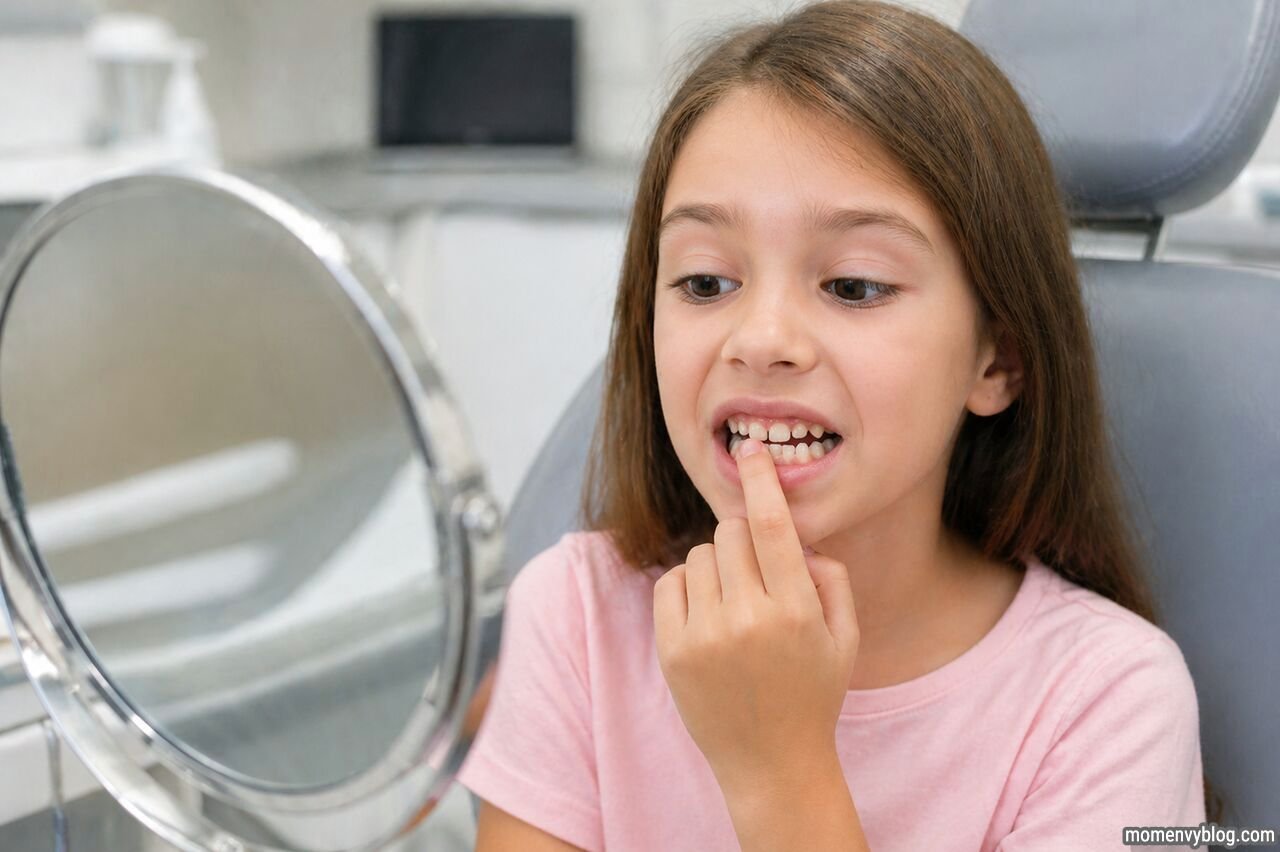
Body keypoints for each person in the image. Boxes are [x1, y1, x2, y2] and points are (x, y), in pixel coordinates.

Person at [455, 1, 1217, 849]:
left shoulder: (1108, 702)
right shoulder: (573, 619)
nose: (762, 340)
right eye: (706, 283)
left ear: (997, 361)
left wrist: (778, 767)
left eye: (855, 286)